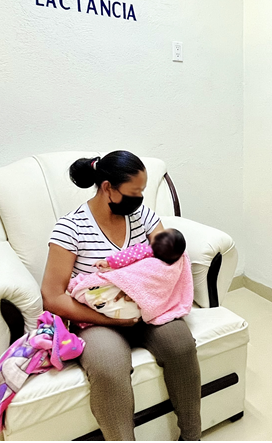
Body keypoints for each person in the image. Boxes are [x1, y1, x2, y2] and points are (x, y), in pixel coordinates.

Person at [41, 150, 201, 441]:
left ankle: (191, 436)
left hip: (147, 307)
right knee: (110, 367)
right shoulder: (71, 228)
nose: (140, 199)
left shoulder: (144, 217)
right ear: (108, 188)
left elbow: (165, 260)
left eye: (142, 191)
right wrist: (114, 321)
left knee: (181, 345)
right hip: (97, 317)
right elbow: (52, 296)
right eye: (134, 192)